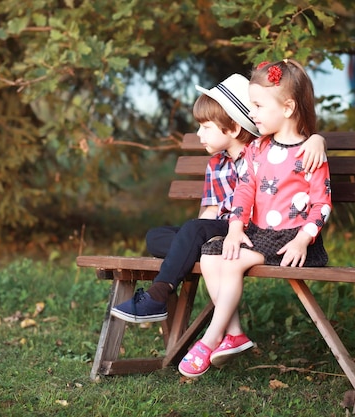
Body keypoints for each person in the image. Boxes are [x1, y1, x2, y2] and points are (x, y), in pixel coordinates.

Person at [110, 73, 327, 325]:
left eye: (206, 126)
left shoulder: (261, 150)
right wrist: (197, 234)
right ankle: (197, 247)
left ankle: (158, 294)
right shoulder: (216, 163)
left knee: (191, 232)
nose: (199, 133)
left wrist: (317, 139)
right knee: (156, 237)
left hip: (249, 231)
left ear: (233, 128)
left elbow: (293, 141)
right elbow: (211, 212)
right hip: (219, 230)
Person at [178, 59, 332, 378]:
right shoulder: (258, 148)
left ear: (288, 107)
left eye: (258, 106)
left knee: (231, 263)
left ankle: (209, 340)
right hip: (261, 235)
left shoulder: (310, 151)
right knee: (211, 253)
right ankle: (233, 334)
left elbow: (322, 204)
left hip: (294, 241)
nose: (253, 114)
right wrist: (234, 229)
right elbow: (244, 190)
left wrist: (304, 239)